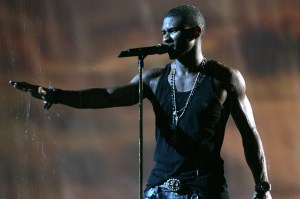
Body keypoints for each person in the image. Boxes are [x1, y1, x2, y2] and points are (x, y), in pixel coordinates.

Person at [9, 4, 272, 199]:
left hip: (204, 190)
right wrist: (58, 95)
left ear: (195, 31)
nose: (165, 39)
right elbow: (107, 96)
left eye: (172, 31)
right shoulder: (154, 79)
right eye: (163, 32)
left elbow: (250, 134)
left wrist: (262, 186)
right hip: (158, 189)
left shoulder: (223, 79)